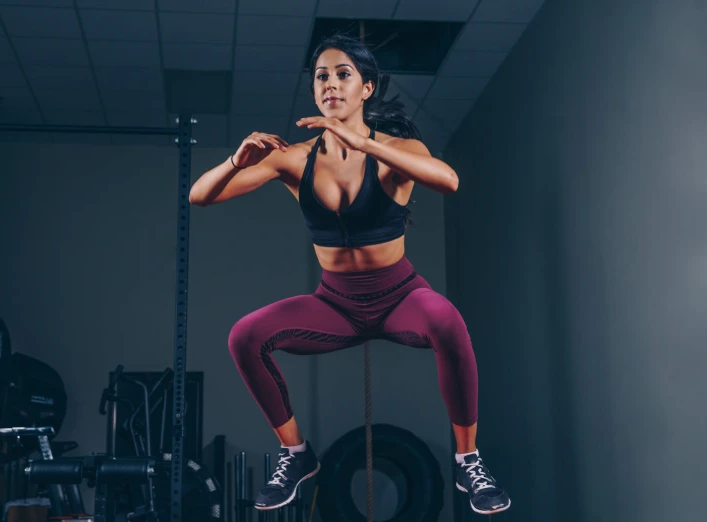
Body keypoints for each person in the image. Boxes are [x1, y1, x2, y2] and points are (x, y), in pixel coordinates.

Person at [189, 34, 511, 516]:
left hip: (401, 297)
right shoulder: (294, 157)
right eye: (322, 76)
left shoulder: (397, 149)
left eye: (344, 75)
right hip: (335, 304)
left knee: (447, 321)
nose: (331, 84)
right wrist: (237, 160)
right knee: (245, 336)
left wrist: (364, 143)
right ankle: (296, 454)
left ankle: (469, 460)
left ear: (366, 89)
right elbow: (199, 196)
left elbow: (449, 180)